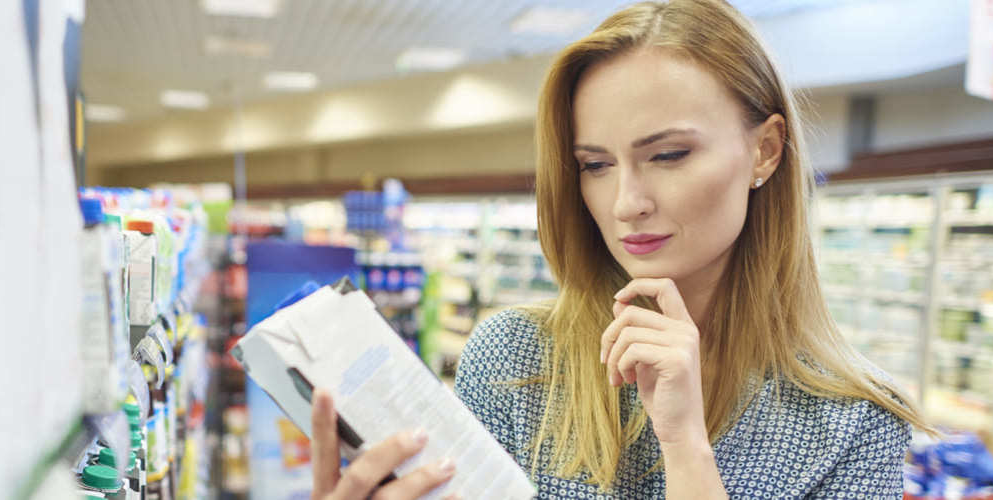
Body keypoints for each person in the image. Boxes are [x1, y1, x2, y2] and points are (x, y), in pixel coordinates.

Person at [307, 0, 933, 498]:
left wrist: (686, 447)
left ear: (765, 151)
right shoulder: (516, 361)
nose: (625, 201)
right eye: (596, 164)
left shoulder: (855, 423)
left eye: (668, 155)